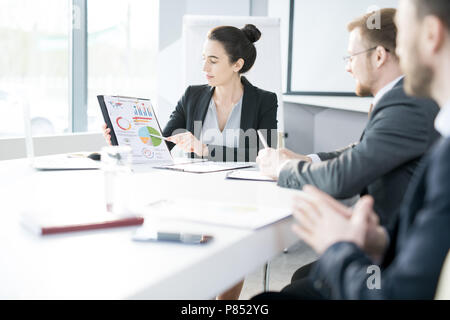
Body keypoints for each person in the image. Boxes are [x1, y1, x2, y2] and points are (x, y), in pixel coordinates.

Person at [253, 0, 450, 300]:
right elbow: (364, 150)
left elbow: (398, 293)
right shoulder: (436, 125)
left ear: (430, 35)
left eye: (405, 33)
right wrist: (381, 239)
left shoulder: (411, 105)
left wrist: (337, 245)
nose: (399, 47)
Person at [257, 8, 439, 229]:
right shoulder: (404, 99)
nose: (347, 67)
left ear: (379, 56)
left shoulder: (407, 104)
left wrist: (283, 168)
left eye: (352, 57)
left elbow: (342, 179)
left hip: (394, 250)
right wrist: (308, 160)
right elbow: (363, 150)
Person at [104, 24, 278, 163]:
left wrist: (205, 149)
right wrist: (122, 141)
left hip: (244, 193)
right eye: (204, 59)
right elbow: (161, 147)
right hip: (196, 189)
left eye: (213, 61)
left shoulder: (265, 101)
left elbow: (266, 156)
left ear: (237, 65)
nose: (205, 68)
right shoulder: (192, 96)